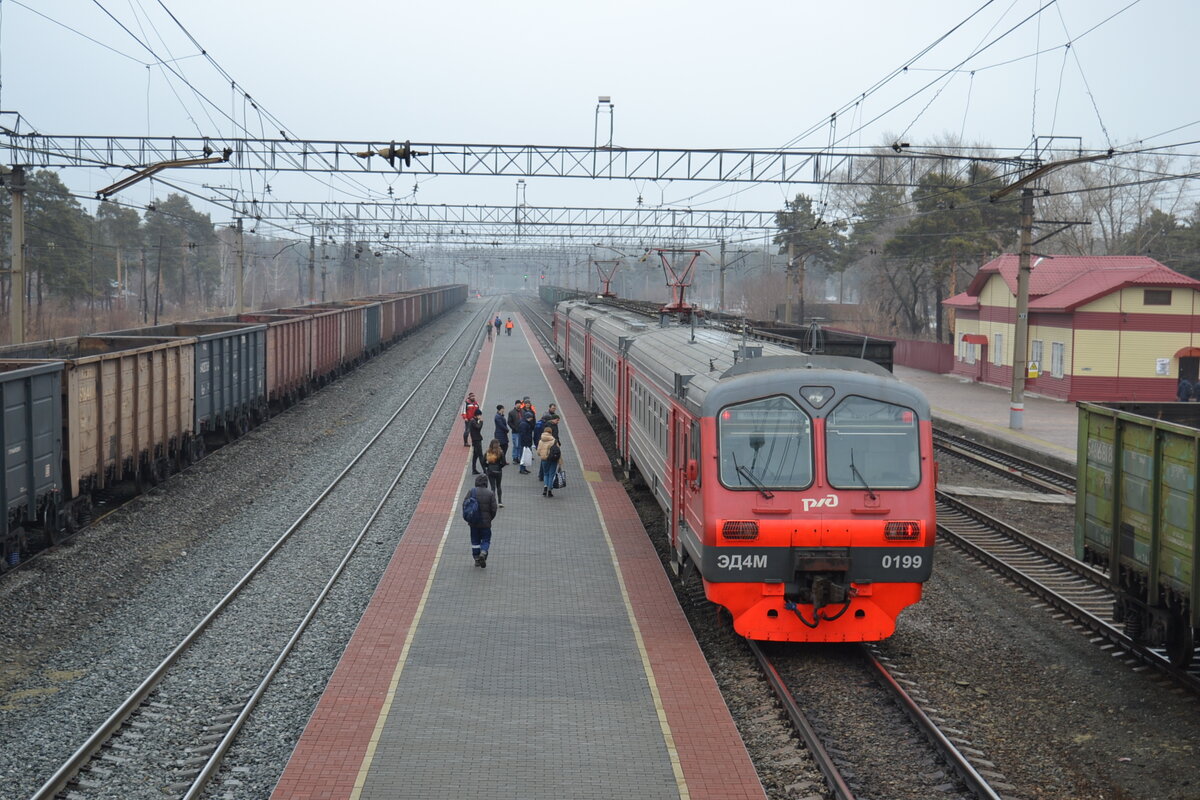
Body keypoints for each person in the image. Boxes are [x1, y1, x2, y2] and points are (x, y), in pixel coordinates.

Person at [464, 474, 498, 568]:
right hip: (486, 523)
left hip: (474, 522)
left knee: (475, 540)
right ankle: (483, 552)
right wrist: (490, 518)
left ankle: (476, 559)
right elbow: (494, 509)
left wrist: (468, 517)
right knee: (486, 539)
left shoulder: (472, 491)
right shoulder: (490, 493)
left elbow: (465, 505)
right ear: (486, 482)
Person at [536, 426, 561, 497]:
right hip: (553, 459)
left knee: (546, 474)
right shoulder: (554, 440)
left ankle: (545, 487)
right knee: (551, 474)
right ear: (551, 432)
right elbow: (558, 451)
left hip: (544, 459)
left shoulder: (541, 441)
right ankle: (550, 490)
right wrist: (560, 462)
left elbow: (538, 452)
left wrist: (542, 454)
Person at [484, 439, 507, 508]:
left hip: (490, 471)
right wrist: (499, 467)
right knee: (498, 486)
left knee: (492, 487)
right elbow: (504, 462)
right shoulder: (500, 452)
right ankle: (500, 502)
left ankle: (492, 502)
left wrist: (488, 466)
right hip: (498, 471)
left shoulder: (488, 452)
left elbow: (483, 461)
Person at [468, 408, 485, 474]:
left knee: (475, 455)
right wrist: (481, 421)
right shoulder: (473, 421)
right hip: (476, 440)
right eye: (480, 415)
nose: (480, 416)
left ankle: (474, 469)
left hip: (475, 440)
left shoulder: (473, 420)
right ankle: (485, 470)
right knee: (480, 455)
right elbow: (478, 427)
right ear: (477, 415)